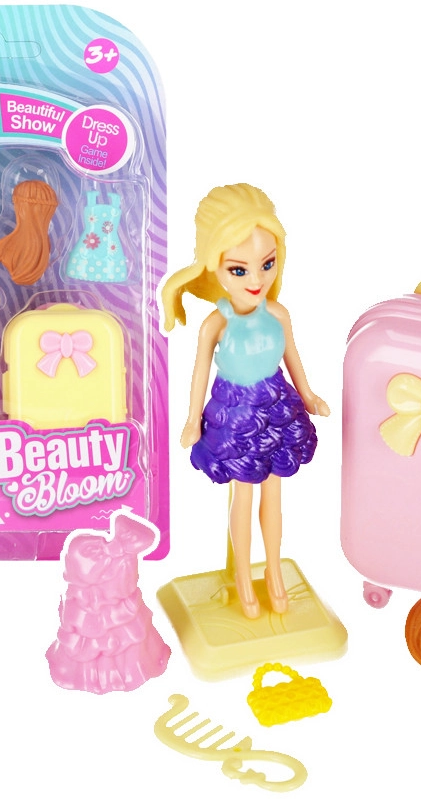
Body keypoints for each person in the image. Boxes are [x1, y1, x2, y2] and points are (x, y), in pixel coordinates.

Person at [161, 183, 329, 618]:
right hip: (236, 412)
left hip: (276, 405)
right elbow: (200, 371)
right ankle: (241, 578)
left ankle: (272, 571)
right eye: (239, 270)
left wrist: (309, 395)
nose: (256, 280)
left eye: (267, 264)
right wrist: (192, 420)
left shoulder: (279, 314)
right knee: (243, 497)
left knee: (274, 495)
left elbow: (292, 357)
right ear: (213, 265)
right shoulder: (215, 323)